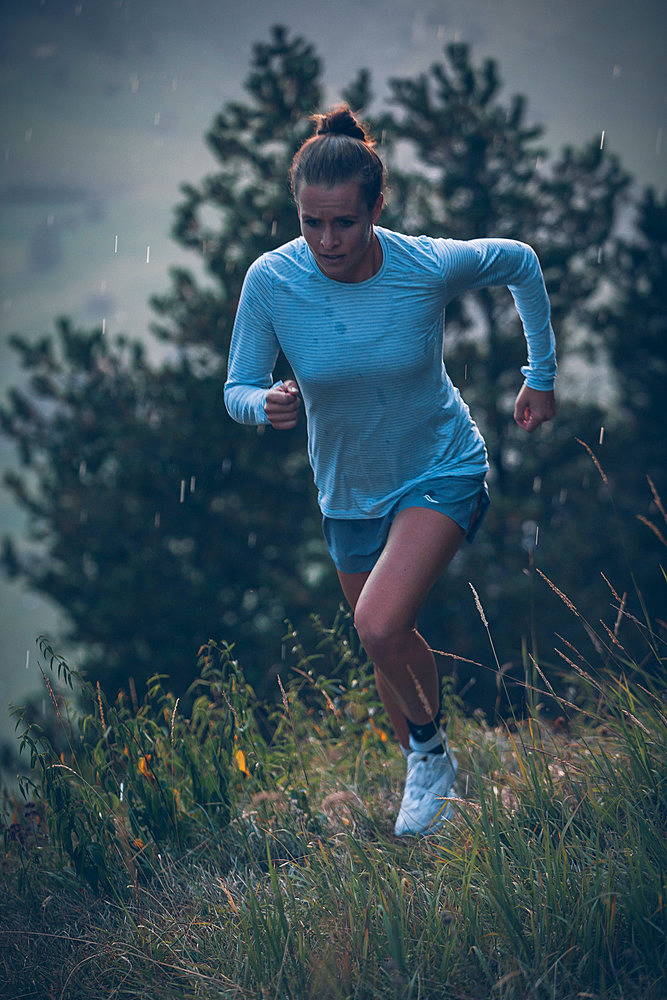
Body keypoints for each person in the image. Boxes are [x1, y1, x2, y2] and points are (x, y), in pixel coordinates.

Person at [224, 106, 556, 836]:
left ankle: (434, 760)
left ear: (376, 207)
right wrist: (263, 405)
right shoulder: (273, 281)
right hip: (347, 494)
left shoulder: (423, 265)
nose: (325, 241)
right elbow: (236, 387)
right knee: (386, 647)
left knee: (377, 625)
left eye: (343, 222)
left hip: (441, 467)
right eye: (311, 222)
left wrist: (541, 373)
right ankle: (429, 789)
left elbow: (520, 263)